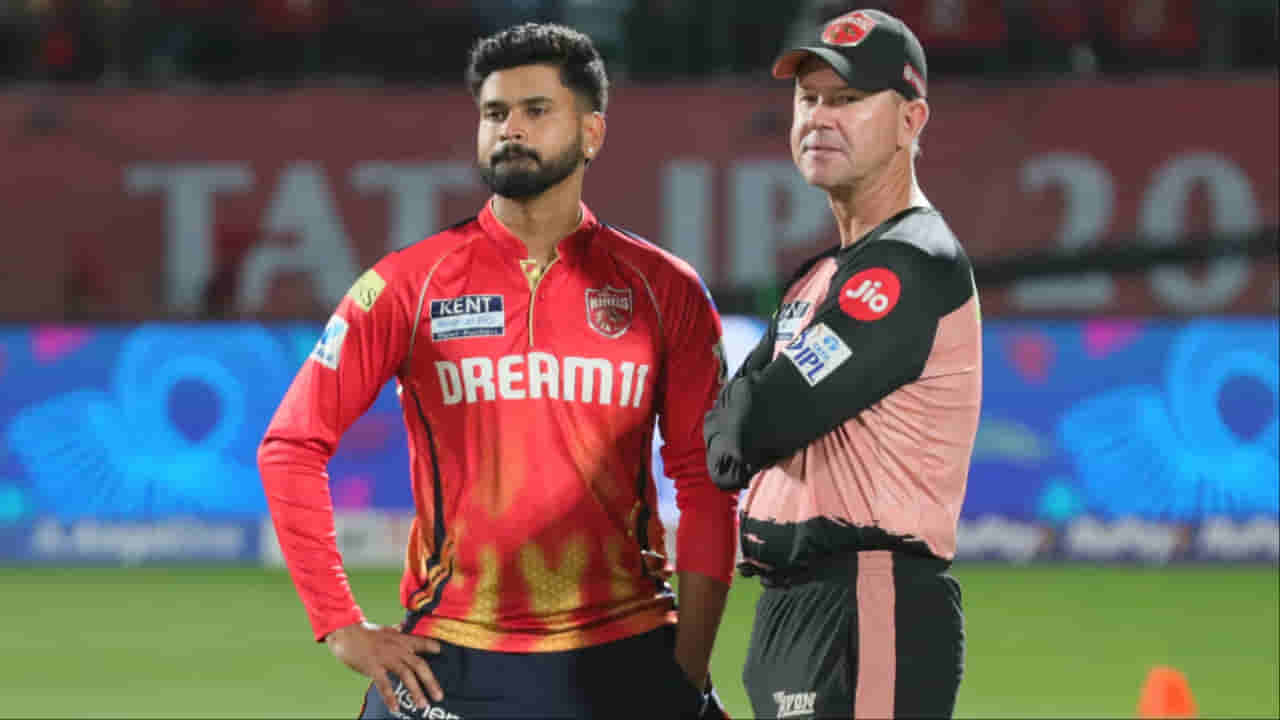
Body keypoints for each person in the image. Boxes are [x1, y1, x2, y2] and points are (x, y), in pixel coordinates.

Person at [258, 22, 736, 720]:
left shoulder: (666, 289)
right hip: (452, 659)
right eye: (494, 113)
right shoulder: (406, 284)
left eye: (536, 110)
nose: (510, 128)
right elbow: (291, 444)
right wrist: (339, 623)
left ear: (593, 132)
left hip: (629, 649)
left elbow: (705, 481)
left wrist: (688, 663)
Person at [703, 8, 981, 719]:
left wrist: (743, 415)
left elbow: (755, 423)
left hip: (866, 601)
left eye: (849, 99)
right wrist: (740, 417)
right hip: (797, 608)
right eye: (809, 98)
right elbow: (724, 448)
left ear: (911, 120)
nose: (820, 117)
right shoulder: (819, 277)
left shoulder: (914, 265)